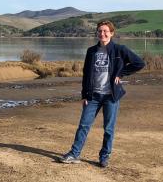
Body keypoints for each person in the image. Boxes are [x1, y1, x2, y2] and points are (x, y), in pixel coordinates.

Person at [60, 20, 145, 167]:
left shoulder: (120, 50)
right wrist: (84, 95)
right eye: (100, 31)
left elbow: (139, 63)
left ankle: (104, 157)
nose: (102, 33)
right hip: (93, 96)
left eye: (105, 31)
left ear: (111, 33)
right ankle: (74, 154)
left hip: (110, 96)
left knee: (108, 128)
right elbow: (86, 74)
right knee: (84, 125)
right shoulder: (91, 51)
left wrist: (121, 73)